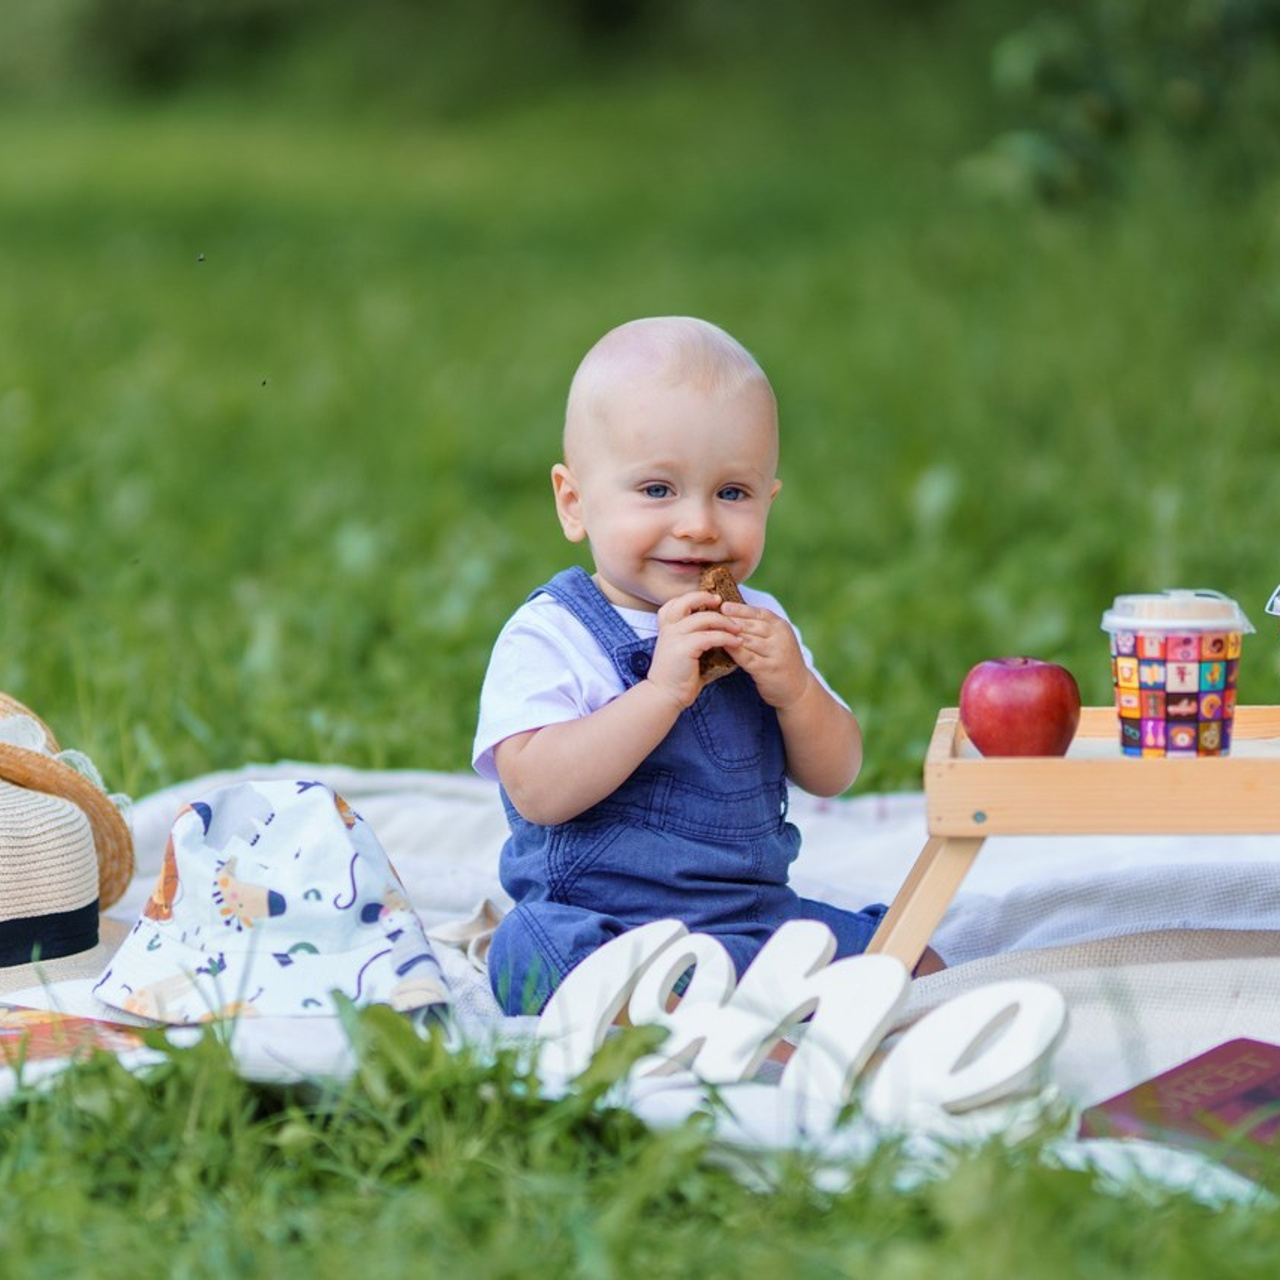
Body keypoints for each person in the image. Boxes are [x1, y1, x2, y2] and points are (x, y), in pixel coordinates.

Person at [473, 316, 941, 1015]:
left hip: (749, 920)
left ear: (768, 500)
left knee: (915, 955)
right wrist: (660, 692)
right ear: (574, 503)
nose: (699, 524)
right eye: (657, 490)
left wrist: (796, 692)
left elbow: (834, 772)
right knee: (531, 952)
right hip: (607, 924)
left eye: (732, 493)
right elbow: (538, 790)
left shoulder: (760, 623)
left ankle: (716, 1006)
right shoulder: (554, 633)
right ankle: (666, 1010)